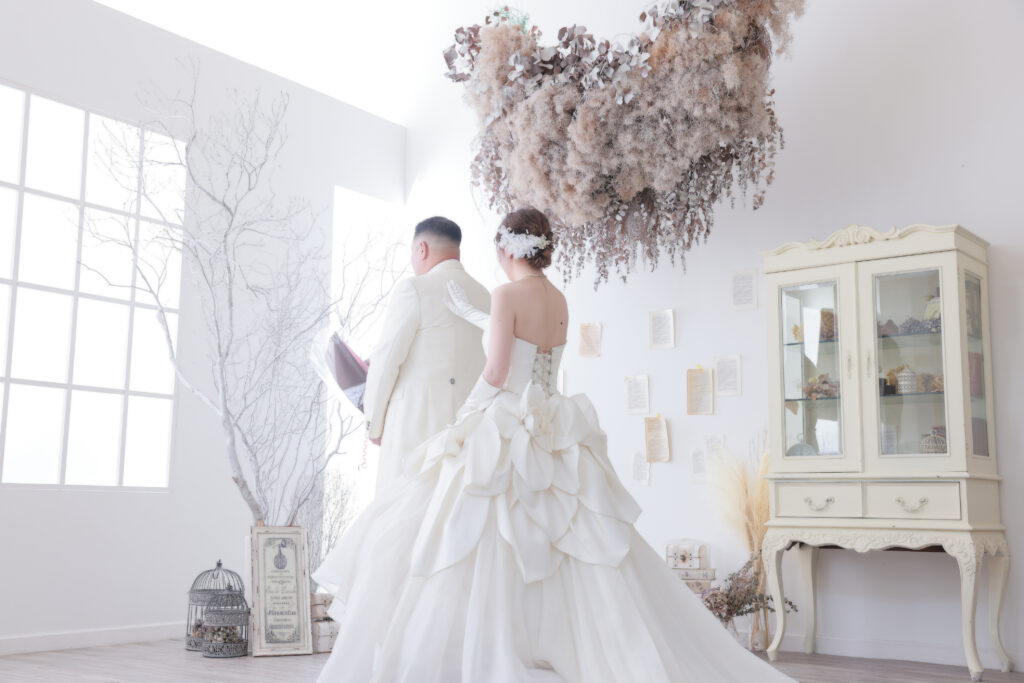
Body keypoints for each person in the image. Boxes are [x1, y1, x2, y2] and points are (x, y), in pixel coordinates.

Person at [313, 207, 796, 682]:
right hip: (553, 424)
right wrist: (480, 319)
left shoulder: (505, 294)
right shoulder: (559, 300)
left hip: (507, 422)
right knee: (570, 540)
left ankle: (490, 645)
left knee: (481, 535)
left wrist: (464, 417)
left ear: (507, 248)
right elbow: (531, 351)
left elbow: (498, 371)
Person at [363, 216, 490, 493]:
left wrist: (374, 424)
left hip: (415, 429)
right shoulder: (485, 296)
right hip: (469, 434)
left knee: (403, 507)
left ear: (421, 248)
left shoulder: (413, 289)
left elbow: (387, 360)